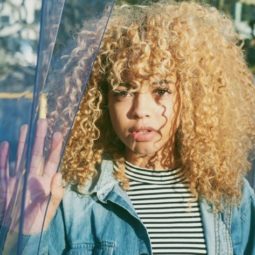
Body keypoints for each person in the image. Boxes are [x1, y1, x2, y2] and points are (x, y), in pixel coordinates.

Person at [1, 1, 255, 254]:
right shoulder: (72, 196)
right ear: (101, 101)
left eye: (161, 90)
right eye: (123, 91)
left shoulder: (231, 198)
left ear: (192, 95)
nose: (139, 110)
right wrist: (23, 235)